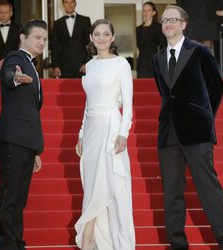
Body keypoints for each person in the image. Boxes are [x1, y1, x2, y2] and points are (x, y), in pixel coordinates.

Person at [152, 5, 223, 250]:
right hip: (168, 134)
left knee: (208, 189)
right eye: (164, 20)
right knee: (172, 193)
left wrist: (203, 116)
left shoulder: (199, 51)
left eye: (173, 19)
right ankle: (177, 243)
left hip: (197, 132)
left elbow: (216, 87)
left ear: (183, 24)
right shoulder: (157, 59)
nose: (168, 23)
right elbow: (166, 93)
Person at [74, 19, 135, 250]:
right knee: (92, 186)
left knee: (113, 187)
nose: (101, 37)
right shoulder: (89, 65)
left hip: (111, 127)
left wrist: (124, 133)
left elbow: (128, 102)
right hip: (91, 130)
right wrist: (81, 133)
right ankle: (91, 240)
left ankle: (118, 244)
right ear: (91, 38)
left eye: (105, 34)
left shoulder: (121, 64)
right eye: (97, 34)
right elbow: (88, 104)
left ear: (112, 37)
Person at [0, 19, 47, 250]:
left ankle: (17, 244)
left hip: (25, 141)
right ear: (23, 38)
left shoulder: (32, 65)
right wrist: (15, 78)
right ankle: (8, 245)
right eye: (37, 37)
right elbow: (9, 75)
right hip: (13, 138)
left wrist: (36, 149)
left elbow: (32, 111)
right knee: (10, 197)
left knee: (19, 200)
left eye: (44, 39)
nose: (42, 42)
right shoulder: (16, 57)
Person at [51, 0, 91, 78]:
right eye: (66, 2)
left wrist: (87, 63)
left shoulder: (85, 21)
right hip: (64, 67)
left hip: (82, 66)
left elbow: (91, 43)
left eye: (71, 2)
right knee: (66, 90)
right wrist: (55, 66)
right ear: (62, 4)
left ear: (75, 4)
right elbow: (54, 46)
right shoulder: (57, 24)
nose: (69, 5)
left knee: (82, 90)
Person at [0, 0, 21, 78]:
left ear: (11, 13)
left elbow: (21, 47)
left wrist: (10, 60)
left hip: (14, 68)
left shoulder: (19, 28)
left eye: (6, 12)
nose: (3, 15)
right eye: (1, 12)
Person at [136, 1, 166, 78]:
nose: (146, 13)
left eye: (149, 10)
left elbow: (163, 46)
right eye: (144, 10)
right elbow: (139, 47)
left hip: (154, 64)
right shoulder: (138, 29)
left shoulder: (158, 27)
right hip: (141, 65)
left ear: (153, 12)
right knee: (142, 88)